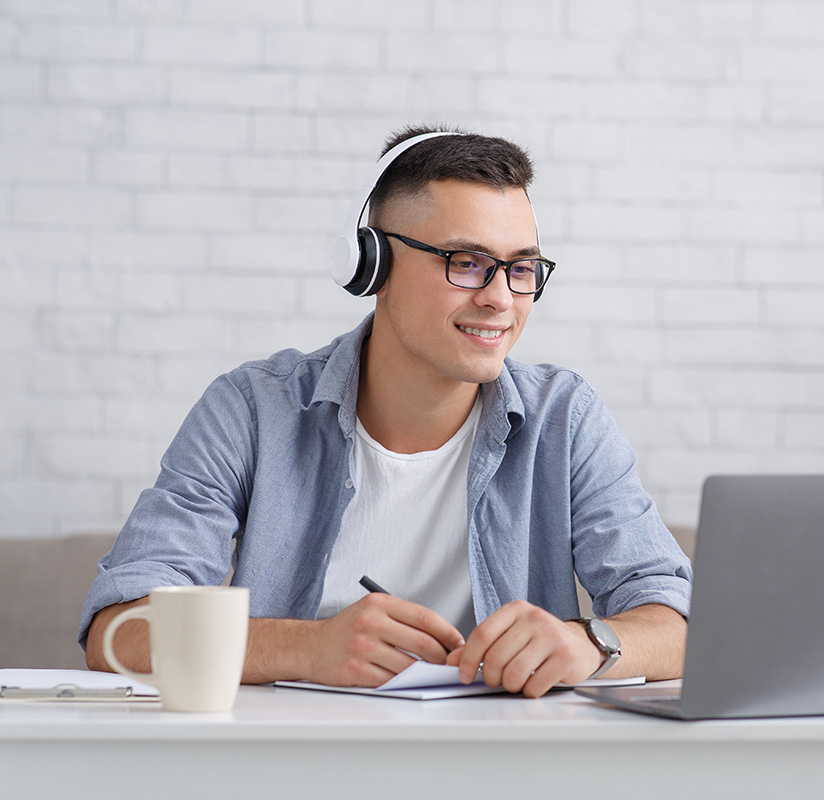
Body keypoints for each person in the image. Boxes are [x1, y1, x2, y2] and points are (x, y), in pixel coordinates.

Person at [81, 125, 692, 698]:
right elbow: (120, 630)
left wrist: (590, 642)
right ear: (371, 265)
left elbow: (681, 621)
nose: (501, 298)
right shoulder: (251, 410)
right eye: (468, 262)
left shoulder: (566, 417)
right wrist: (309, 648)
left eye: (521, 268)